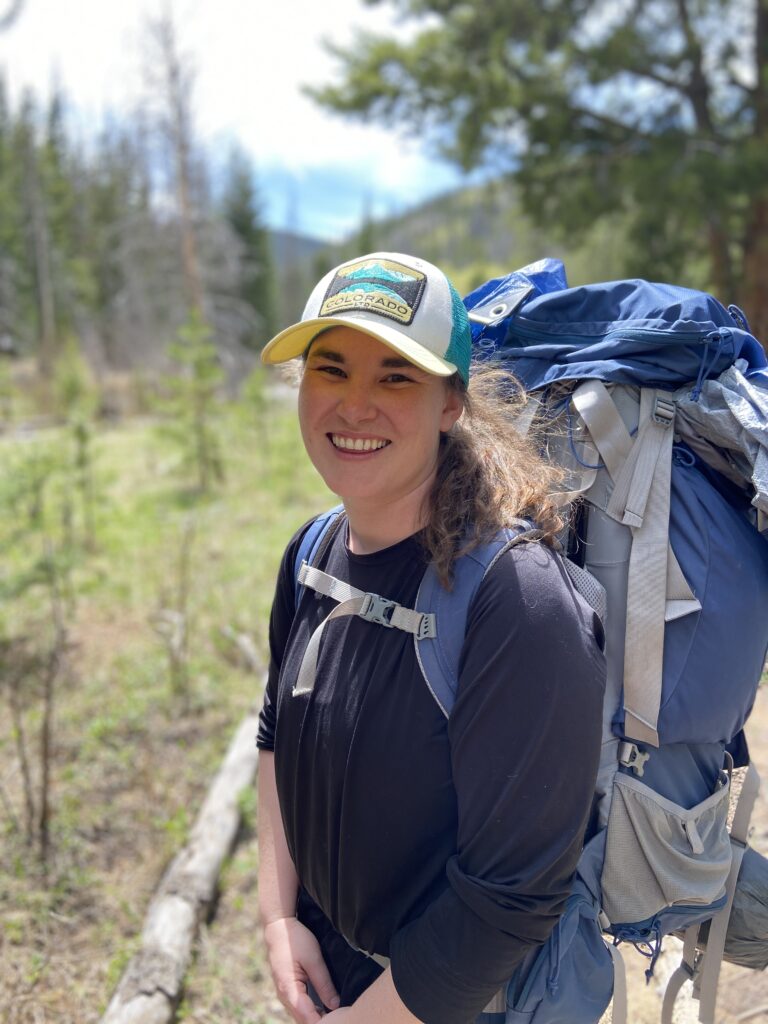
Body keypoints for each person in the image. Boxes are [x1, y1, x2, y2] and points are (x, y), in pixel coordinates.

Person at [256, 252, 606, 1024]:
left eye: (395, 377)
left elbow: (514, 891)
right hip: (332, 977)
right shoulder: (311, 554)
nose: (353, 406)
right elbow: (276, 736)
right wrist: (279, 916)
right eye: (331, 369)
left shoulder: (515, 601)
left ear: (451, 402)